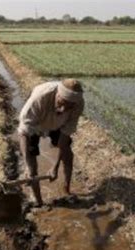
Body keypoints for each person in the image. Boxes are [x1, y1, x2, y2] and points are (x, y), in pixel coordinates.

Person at [17, 78, 84, 207]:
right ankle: (39, 201)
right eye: (62, 102)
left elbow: (64, 137)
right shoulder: (40, 97)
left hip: (58, 124)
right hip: (36, 123)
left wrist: (55, 165)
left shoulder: (78, 104)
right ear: (57, 94)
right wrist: (27, 165)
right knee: (32, 165)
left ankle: (66, 189)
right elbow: (24, 133)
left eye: (69, 106)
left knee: (68, 155)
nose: (64, 108)